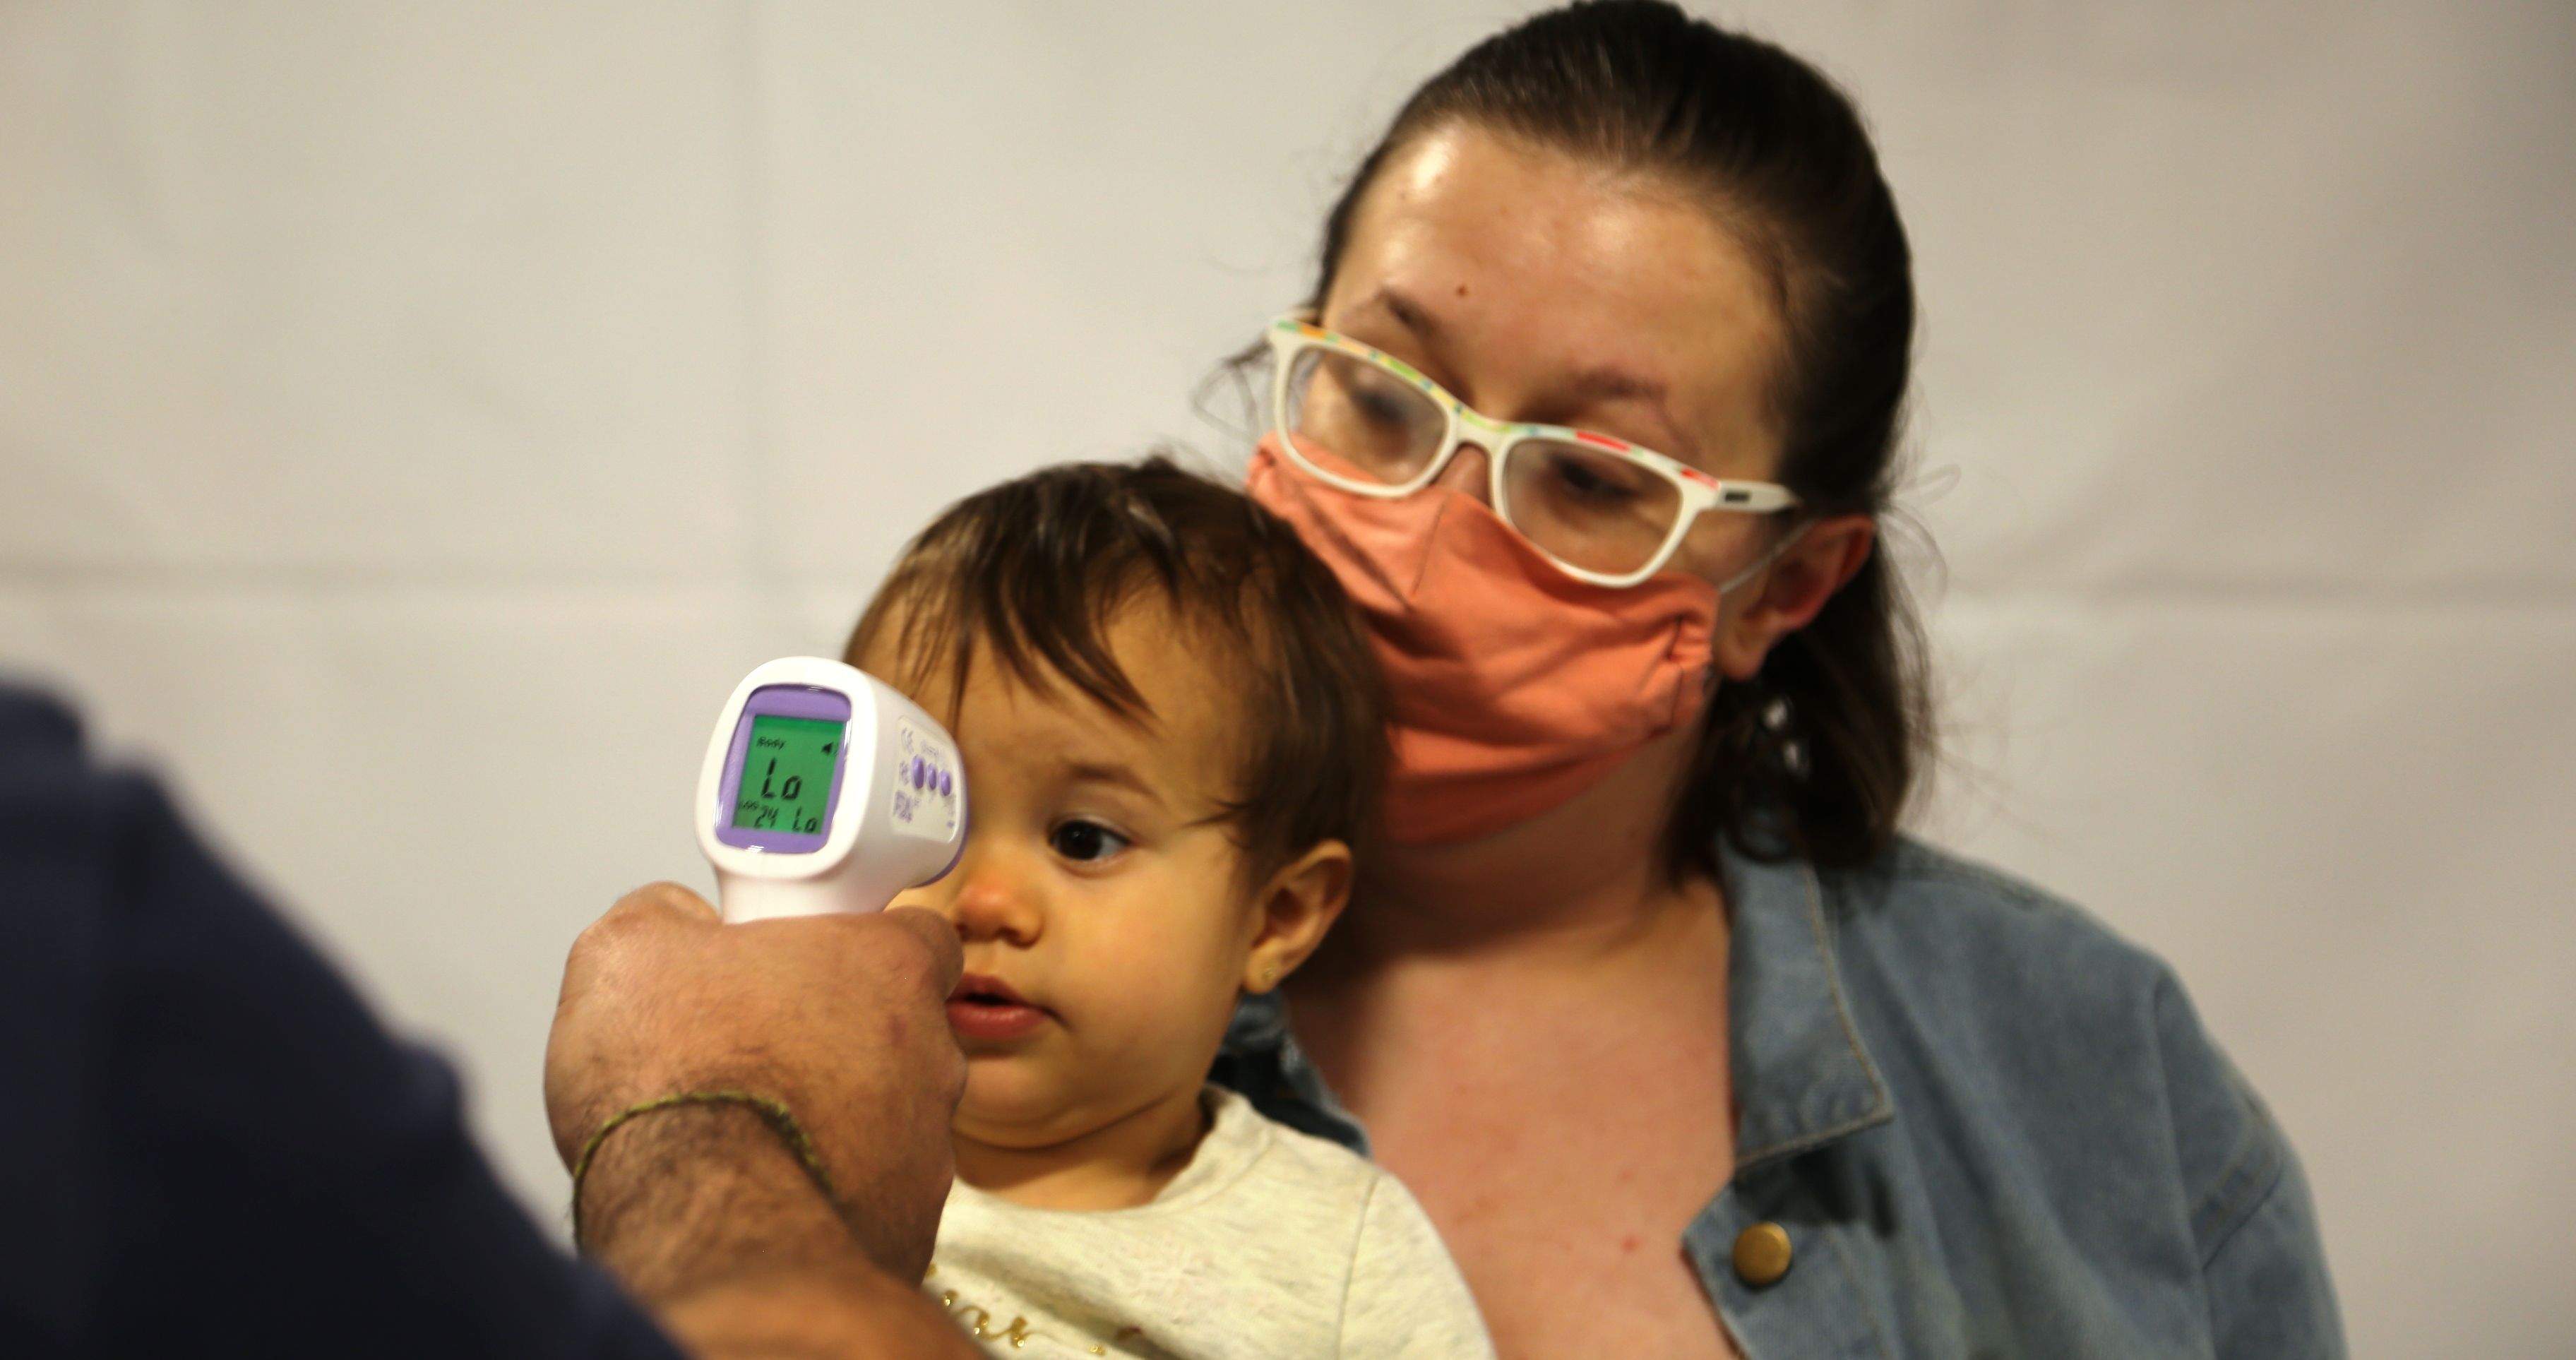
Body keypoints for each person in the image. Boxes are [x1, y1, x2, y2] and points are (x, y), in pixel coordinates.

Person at [1193, 3, 2347, 1356]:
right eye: (1380, 395)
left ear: (1786, 586)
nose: (1423, 544)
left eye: (1590, 477)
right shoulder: (964, 960)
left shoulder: (2093, 1075)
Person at [0, 681, 981, 1359]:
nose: (995, 900)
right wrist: (715, 1120)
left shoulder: (67, 893)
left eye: (1082, 838)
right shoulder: (73, 912)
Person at [843, 459, 1494, 1357]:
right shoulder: (780, 1168)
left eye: (1083, 840)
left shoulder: (1340, 1253)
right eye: (930, 826)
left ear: (1277, 918)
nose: (984, 903)